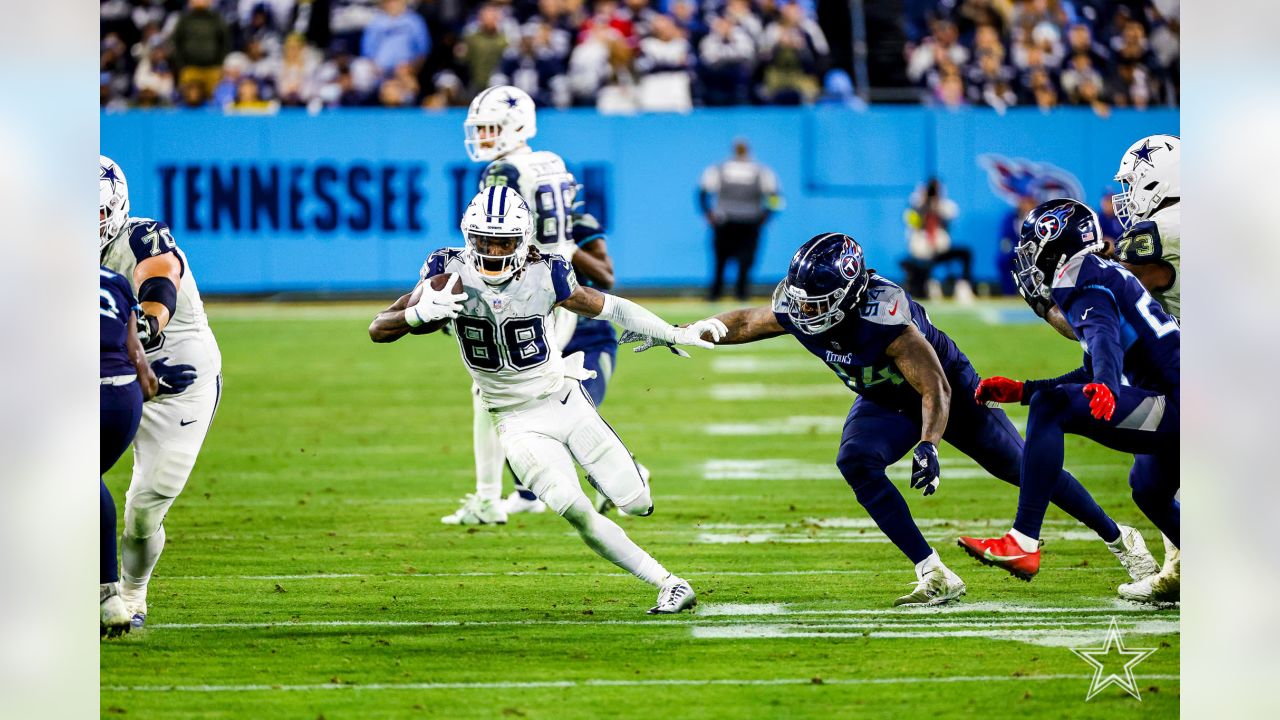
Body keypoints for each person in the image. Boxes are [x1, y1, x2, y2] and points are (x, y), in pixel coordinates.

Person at [630, 233, 1158, 607]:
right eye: (802, 301)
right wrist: (682, 331)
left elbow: (935, 387)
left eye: (819, 303)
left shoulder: (888, 318)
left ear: (852, 294)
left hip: (950, 393)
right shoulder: (802, 306)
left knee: (1023, 468)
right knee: (856, 460)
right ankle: (933, 574)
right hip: (886, 401)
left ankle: (1121, 540)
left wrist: (929, 446)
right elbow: (747, 320)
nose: (805, 313)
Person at [367, 186, 721, 613]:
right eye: (482, 239)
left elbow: (608, 305)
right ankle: (669, 583)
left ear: (523, 239)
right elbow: (378, 327)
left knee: (637, 504)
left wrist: (674, 331)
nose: (493, 249)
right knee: (575, 511)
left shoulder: (546, 271)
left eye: (502, 241)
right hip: (515, 420)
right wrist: (417, 314)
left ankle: (603, 477)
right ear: (467, 236)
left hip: (563, 398)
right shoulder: (446, 271)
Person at [959, 199, 1179, 597]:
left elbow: (1101, 336)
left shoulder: (1076, 271)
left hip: (1181, 403)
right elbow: (1094, 365)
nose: (1028, 261)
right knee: (1148, 487)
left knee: (1053, 407)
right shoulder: (1101, 269)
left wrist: (1108, 386)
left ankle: (1023, 541)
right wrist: (1025, 390)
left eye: (1031, 250)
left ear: (1055, 242)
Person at [455, 84, 637, 521]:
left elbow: (498, 233)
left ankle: (488, 498)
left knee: (498, 391)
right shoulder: (550, 161)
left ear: (516, 124)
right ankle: (515, 493)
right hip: (558, 283)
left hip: (529, 289)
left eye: (490, 128)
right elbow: (557, 234)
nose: (481, 137)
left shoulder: (503, 172)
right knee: (530, 395)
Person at [1026, 134, 1181, 601]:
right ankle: (1182, 567)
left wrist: (1048, 292)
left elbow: (1099, 307)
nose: (1125, 196)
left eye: (1131, 184)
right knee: (1149, 482)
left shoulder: (1165, 231)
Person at [100, 155, 222, 627]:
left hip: (176, 381)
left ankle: (132, 595)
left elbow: (159, 276)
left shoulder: (142, 234)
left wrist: (150, 319)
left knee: (145, 508)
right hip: (102, 375)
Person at [100, 267, 158, 637]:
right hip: (124, 396)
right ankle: (106, 594)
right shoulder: (113, 279)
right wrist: (147, 384)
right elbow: (136, 354)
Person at [699, 139, 781, 301]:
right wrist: (767, 215)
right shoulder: (762, 171)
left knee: (720, 260)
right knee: (746, 261)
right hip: (750, 222)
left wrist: (708, 213)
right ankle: (741, 294)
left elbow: (702, 193)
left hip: (724, 221)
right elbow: (775, 197)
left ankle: (715, 294)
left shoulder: (719, 169)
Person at [900, 177, 974, 303]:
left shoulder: (943, 204)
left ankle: (963, 286)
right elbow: (911, 223)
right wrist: (921, 205)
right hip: (923, 248)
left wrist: (937, 204)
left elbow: (952, 213)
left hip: (940, 247)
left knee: (966, 252)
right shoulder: (916, 205)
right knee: (925, 261)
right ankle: (930, 284)